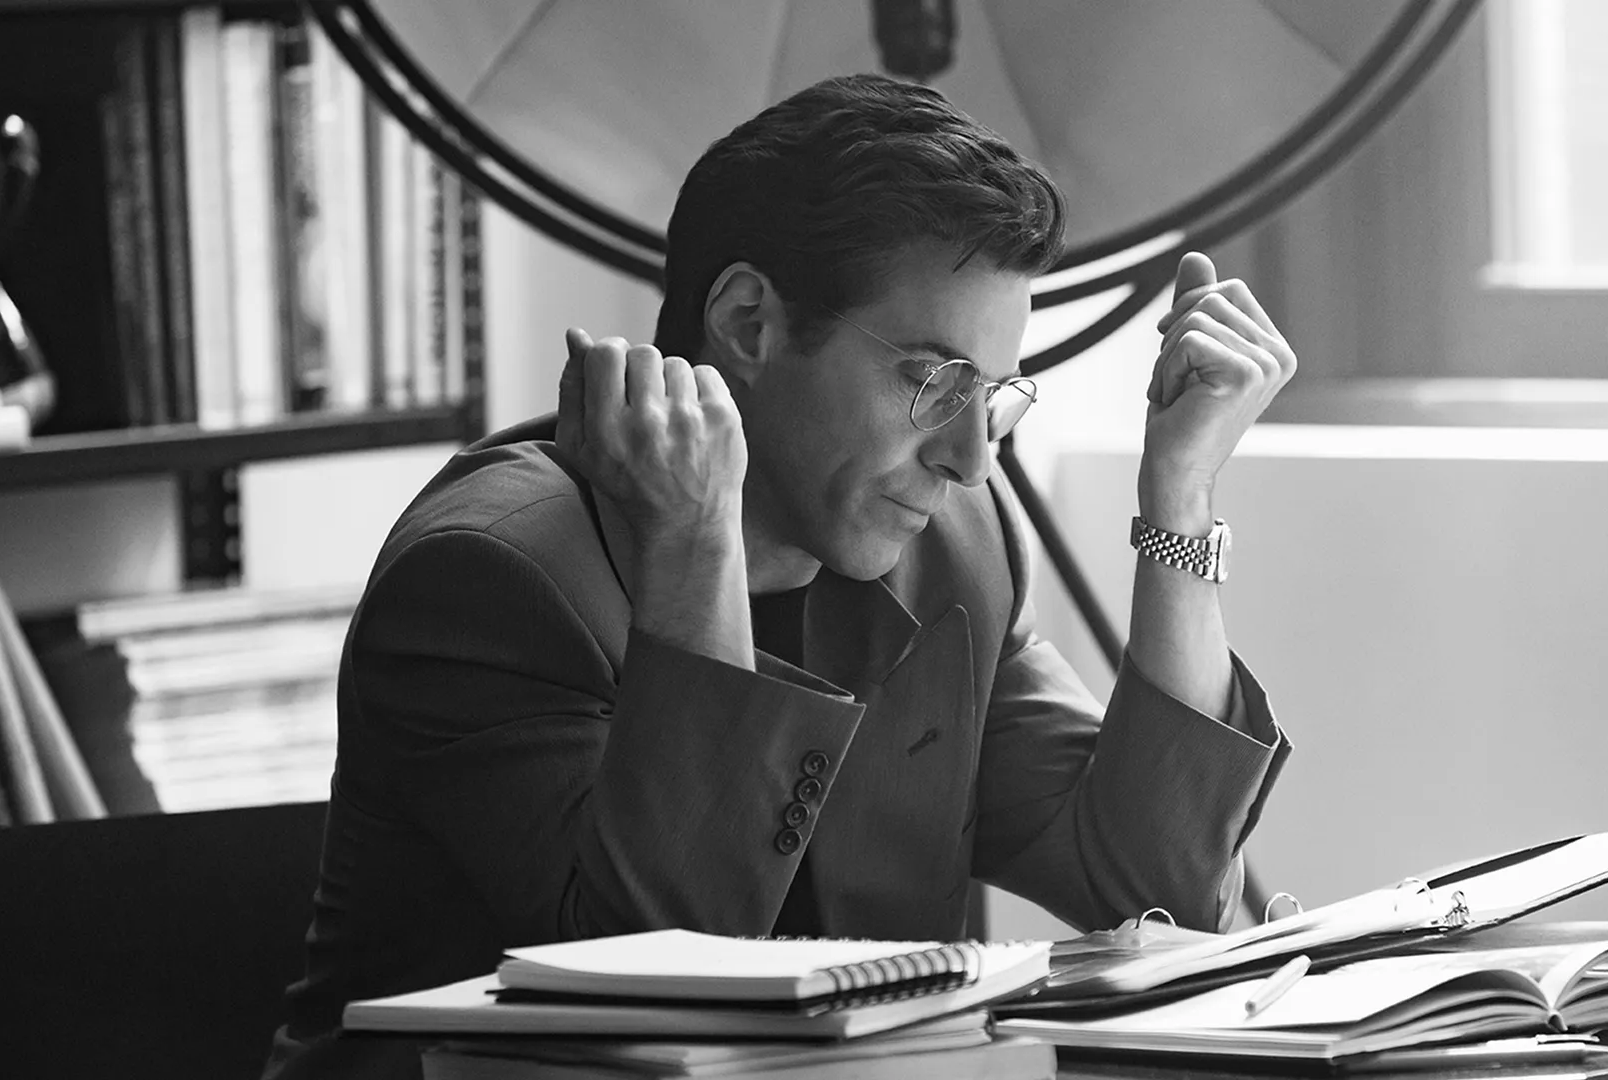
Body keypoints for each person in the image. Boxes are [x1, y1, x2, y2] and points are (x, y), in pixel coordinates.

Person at [264, 72, 1295, 1078]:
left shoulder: (953, 548)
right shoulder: (490, 577)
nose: (970, 459)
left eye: (991, 394)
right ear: (750, 323)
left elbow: (1159, 891)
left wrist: (1179, 498)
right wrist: (695, 545)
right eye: (933, 378)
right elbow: (659, 998)